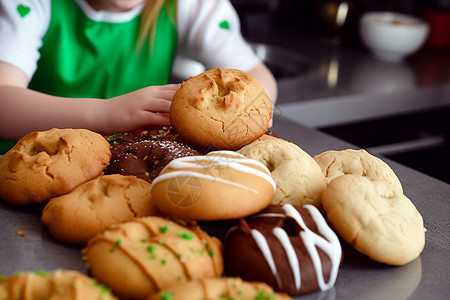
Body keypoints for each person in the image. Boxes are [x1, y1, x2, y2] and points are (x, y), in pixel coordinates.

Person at [0, 0, 277, 154]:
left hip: (132, 160)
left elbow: (256, 74)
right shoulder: (28, 5)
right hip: (31, 158)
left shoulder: (189, 5)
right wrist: (104, 113)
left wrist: (252, 110)